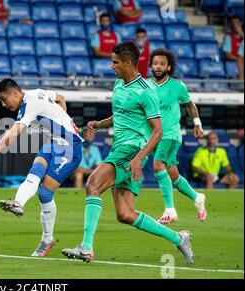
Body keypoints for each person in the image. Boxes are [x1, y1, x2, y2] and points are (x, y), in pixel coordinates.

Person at [61, 41, 194, 264]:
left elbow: (158, 130)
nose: (112, 66)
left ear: (128, 62)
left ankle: (86, 247)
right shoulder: (118, 84)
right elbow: (121, 115)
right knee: (125, 214)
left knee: (92, 184)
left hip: (131, 149)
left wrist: (139, 157)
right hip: (121, 149)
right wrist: (100, 124)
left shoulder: (146, 92)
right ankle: (178, 237)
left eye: (115, 62)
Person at [0, 79, 83, 257]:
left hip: (70, 148)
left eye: (4, 99)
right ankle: (18, 203)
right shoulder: (35, 93)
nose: (4, 104)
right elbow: (60, 96)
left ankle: (47, 239)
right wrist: (63, 111)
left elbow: (14, 132)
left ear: (15, 94)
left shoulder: (29, 105)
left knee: (45, 193)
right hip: (53, 145)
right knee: (35, 171)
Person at [147, 48, 207, 225]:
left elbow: (189, 105)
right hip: (152, 137)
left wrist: (197, 123)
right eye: (155, 63)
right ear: (151, 65)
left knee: (158, 166)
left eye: (162, 64)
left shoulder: (177, 86)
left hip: (170, 134)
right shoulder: (145, 86)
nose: (158, 67)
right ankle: (197, 197)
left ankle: (169, 210)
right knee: (172, 175)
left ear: (168, 67)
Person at [222, 15, 244, 80]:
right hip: (236, 63)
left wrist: (241, 33)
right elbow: (228, 55)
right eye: (233, 23)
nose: (235, 25)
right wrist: (239, 60)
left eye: (237, 23)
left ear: (241, 23)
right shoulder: (228, 37)